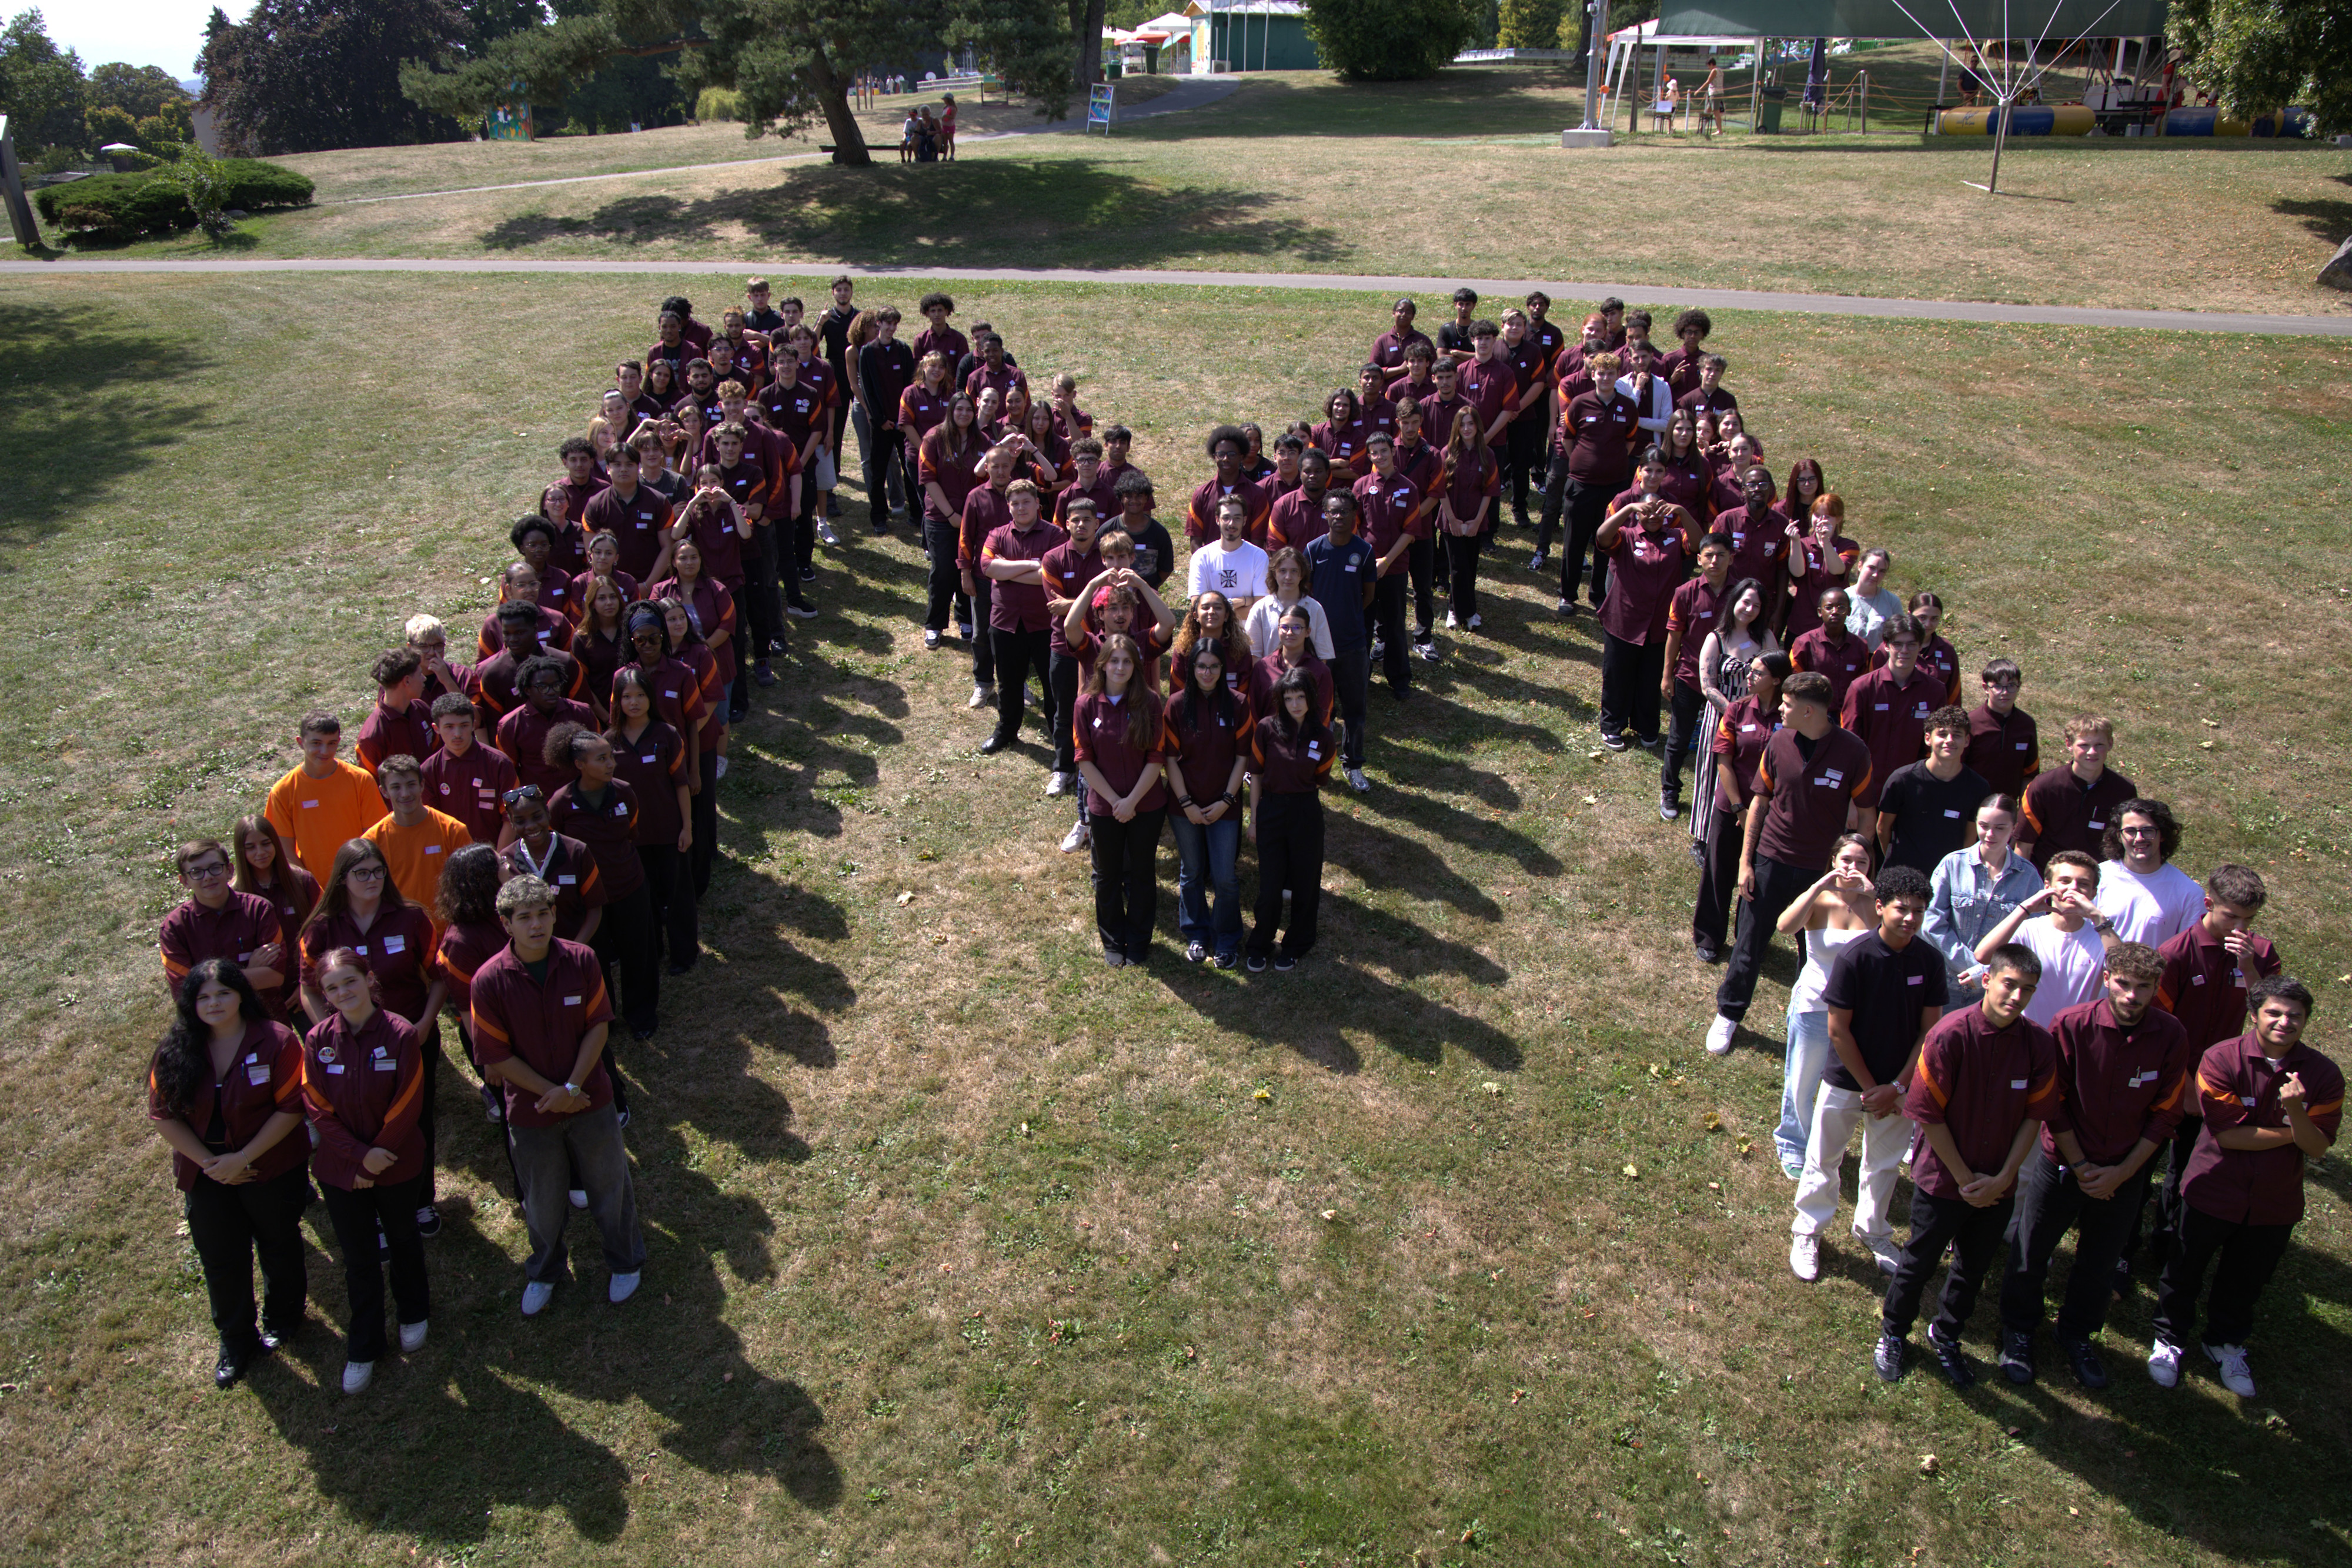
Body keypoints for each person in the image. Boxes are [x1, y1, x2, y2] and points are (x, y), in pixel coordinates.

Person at [1996, 942, 2190, 1389]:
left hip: (2125, 1171)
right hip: (2063, 1164)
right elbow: (2052, 1104)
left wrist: (2122, 1173)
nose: (2131, 995)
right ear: (2106, 979)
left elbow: (2166, 1114)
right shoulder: (2071, 1025)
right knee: (2031, 1251)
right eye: (2123, 983)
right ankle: (2019, 1330)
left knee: (2100, 1263)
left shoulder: (2172, 1035)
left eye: (2143, 987)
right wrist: (2081, 1164)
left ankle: (2077, 1332)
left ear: (2157, 988)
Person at [1871, 942, 2057, 1387]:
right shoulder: (1949, 1034)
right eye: (2010, 984)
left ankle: (1947, 1333)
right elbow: (1928, 1114)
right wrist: (1965, 1177)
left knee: (1973, 1267)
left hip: (1997, 1183)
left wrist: (2006, 1176)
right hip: (1944, 1179)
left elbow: (2035, 1115)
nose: (2016, 996)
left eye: (2027, 990)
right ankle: (1894, 1333)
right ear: (1988, 979)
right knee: (1919, 1261)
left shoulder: (2038, 1045)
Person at [2149, 977, 2340, 1398]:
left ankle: (2225, 1342)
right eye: (2274, 1012)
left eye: (2295, 1015)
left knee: (2245, 1280)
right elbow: (2230, 1136)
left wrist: (2294, 1110)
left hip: (2274, 1201)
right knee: (2184, 1270)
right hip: (2212, 1189)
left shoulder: (2324, 1074)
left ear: (2306, 1021)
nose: (2284, 1022)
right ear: (2255, 1015)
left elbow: (2320, 1148)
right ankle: (2169, 1339)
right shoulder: (2220, 1058)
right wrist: (2292, 1131)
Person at [470, 875, 648, 1316]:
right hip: (533, 1112)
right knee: (543, 1201)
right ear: (506, 923)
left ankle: (625, 1261)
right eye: (525, 917)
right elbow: (496, 1055)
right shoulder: (488, 981)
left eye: (544, 913)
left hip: (591, 1099)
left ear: (554, 914)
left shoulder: (582, 959)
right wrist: (551, 1092)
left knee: (611, 1184)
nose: (537, 925)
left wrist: (571, 1086)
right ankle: (545, 1270)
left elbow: (599, 1026)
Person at [148, 960, 308, 1388]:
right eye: (203, 996)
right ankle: (236, 1339)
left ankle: (285, 1317)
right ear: (191, 1003)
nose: (214, 1002)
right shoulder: (173, 1050)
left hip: (269, 1164)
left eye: (223, 992)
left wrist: (245, 1158)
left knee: (279, 1242)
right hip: (208, 1173)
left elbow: (292, 1106)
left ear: (241, 995)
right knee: (221, 1259)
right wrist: (211, 1163)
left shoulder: (277, 1040)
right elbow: (162, 1114)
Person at [1789, 864, 1947, 1281]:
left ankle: (1873, 1229)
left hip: (1901, 1086)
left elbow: (1930, 1030)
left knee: (1884, 1163)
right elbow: (1838, 1030)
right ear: (1880, 908)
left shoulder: (1930, 961)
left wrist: (1897, 1086)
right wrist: (1871, 1089)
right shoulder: (1854, 957)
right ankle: (1808, 1229)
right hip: (1846, 1081)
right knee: (1824, 1158)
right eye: (1901, 908)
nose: (1910, 917)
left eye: (1918, 910)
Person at [1708, 670, 1873, 1056]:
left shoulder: (1854, 752)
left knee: (1813, 951)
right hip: (1772, 859)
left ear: (1810, 711)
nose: (1780, 709)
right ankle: (1729, 1013)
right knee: (1749, 943)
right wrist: (1746, 863)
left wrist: (1860, 867)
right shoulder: (1780, 740)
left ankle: (1804, 1015)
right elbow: (1759, 804)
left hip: (1822, 871)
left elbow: (1866, 813)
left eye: (1786, 704)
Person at [300, 945, 430, 1395]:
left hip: (395, 1162)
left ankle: (414, 1311)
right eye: (332, 987)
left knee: (403, 1239)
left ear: (368, 978)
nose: (342, 992)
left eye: (349, 981)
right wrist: (358, 1158)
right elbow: (316, 1107)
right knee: (358, 1257)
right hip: (343, 1171)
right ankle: (365, 1343)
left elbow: (409, 1100)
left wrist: (375, 1157)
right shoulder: (318, 1040)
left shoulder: (401, 1034)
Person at [2141, 865, 2282, 1273]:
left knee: (2189, 1168)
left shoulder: (2259, 952)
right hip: (2170, 1078)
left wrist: (2250, 967)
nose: (2241, 927)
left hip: (2218, 1081)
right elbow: (2157, 1028)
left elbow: (2268, 1013)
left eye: (2249, 920)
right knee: (2146, 1162)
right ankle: (2122, 1252)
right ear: (2208, 905)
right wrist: (2185, 1086)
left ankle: (2168, 1243)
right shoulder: (2177, 953)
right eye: (2231, 916)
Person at [1772, 834, 1877, 1179]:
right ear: (1834, 860)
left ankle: (1825, 1144)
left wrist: (1874, 894)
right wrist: (1819, 887)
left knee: (1839, 1087)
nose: (1853, 868)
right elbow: (1785, 927)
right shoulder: (1819, 899)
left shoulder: (1875, 905)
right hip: (1815, 1005)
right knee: (1802, 1080)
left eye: (1861, 862)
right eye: (1846, 859)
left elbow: (1896, 939)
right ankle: (1792, 1144)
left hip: (1857, 1013)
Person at [544, 724, 658, 1040]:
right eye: (601, 759)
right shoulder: (561, 803)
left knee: (639, 953)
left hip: (629, 886)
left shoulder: (623, 791)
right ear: (580, 765)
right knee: (596, 960)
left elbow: (632, 832)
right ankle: (602, 1018)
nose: (611, 764)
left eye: (610, 757)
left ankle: (642, 1016)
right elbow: (558, 846)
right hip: (587, 898)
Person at [1069, 634, 1168, 967]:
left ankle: (1139, 941)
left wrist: (1132, 802)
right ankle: (1113, 941)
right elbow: (1084, 759)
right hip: (1104, 808)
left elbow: (1157, 758)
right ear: (1103, 664)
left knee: (1142, 874)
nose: (1120, 667)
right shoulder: (1085, 704)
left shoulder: (1151, 702)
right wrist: (1115, 801)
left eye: (1127, 661)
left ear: (1136, 667)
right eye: (1115, 661)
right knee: (1108, 875)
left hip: (1147, 805)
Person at [1691, 651, 1785, 964]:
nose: (1750, 676)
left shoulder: (1790, 718)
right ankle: (1709, 936)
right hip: (1731, 806)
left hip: (1771, 813)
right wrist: (1739, 808)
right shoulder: (1737, 710)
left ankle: (1748, 938)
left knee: (1758, 875)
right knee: (1719, 869)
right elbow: (1724, 761)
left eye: (1758, 673)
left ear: (1777, 680)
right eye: (1751, 670)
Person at [1164, 641, 1250, 968]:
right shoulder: (1175, 705)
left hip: (1224, 806)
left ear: (1223, 669)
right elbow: (1169, 759)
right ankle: (1197, 934)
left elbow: (1242, 757)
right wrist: (1186, 803)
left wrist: (1227, 800)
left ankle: (1227, 938)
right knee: (1192, 872)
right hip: (1184, 806)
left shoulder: (1239, 704)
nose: (1207, 672)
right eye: (1201, 666)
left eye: (1214, 666)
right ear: (1192, 669)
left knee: (1226, 877)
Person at [606, 668, 696, 974]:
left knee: (677, 895)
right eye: (627, 696)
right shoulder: (609, 742)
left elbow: (681, 784)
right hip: (632, 838)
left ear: (651, 698)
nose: (634, 702)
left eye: (640, 695)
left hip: (669, 831)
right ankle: (653, 950)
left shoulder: (667, 734)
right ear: (617, 702)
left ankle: (684, 955)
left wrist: (687, 827)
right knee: (643, 900)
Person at [1592, 496, 1699, 753]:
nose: (1652, 516)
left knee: (1651, 678)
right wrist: (1628, 508)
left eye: (1658, 511)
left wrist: (1683, 511)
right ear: (1638, 514)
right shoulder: (1626, 536)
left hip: (1660, 623)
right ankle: (1612, 726)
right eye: (1646, 511)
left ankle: (1647, 726)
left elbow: (1697, 544)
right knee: (1618, 675)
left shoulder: (1676, 536)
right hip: (1624, 620)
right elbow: (1602, 538)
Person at [1246, 669, 1335, 972]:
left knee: (1305, 884)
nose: (1295, 704)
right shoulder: (1266, 729)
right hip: (1270, 810)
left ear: (1310, 699)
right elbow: (1255, 775)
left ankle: (1297, 944)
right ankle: (1260, 943)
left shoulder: (1324, 737)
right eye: (1288, 698)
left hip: (1306, 813)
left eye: (1300, 697)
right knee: (1270, 887)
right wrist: (1255, 820)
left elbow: (1321, 779)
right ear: (1280, 701)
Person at [1539, 352, 1637, 618]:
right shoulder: (1579, 404)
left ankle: (1598, 595)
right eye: (1600, 373)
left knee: (1605, 543)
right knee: (1574, 542)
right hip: (1581, 485)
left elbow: (1629, 443)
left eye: (1610, 373)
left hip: (1614, 487)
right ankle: (1568, 595)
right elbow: (1568, 440)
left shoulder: (1628, 407)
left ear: (1618, 376)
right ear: (1592, 374)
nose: (1605, 378)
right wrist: (1584, 463)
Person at [1922, 794, 2043, 1005]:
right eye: (1984, 825)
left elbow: (2032, 936)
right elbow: (1931, 921)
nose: (1990, 834)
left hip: (1997, 992)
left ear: (2014, 829)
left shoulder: (2029, 877)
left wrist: (1987, 973)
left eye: (2000, 828)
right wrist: (1970, 967)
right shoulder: (1952, 864)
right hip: (1946, 983)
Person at [1973, 852, 2118, 1028]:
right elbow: (1983, 956)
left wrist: (2098, 917)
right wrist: (2025, 909)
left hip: (2077, 1040)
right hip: (2028, 1038)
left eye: (2084, 884)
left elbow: (2124, 972)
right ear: (2048, 885)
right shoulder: (2028, 929)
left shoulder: (2103, 936)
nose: (2073, 888)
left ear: (2094, 893)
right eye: (2065, 881)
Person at [977, 478, 1067, 757]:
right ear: (1008, 507)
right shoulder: (997, 534)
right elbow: (988, 567)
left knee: (1053, 683)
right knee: (1008, 681)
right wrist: (1031, 564)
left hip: (1044, 623)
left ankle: (1059, 733)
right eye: (1014, 503)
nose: (1020, 507)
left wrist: (1010, 572)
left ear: (1037, 504)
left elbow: (1050, 575)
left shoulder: (1055, 535)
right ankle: (1007, 730)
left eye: (1026, 501)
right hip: (1005, 622)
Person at [162, 839, 289, 1015]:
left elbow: (275, 977)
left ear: (229, 870)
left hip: (265, 1018)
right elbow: (184, 993)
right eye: (196, 872)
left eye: (215, 867)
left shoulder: (260, 910)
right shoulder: (174, 927)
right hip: (211, 1029)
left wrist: (206, 985)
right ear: (184, 881)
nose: (208, 877)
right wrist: (248, 972)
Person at [1303, 490, 1376, 791]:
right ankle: (1313, 763)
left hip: (1353, 645)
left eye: (1344, 511)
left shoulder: (1365, 551)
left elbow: (1368, 595)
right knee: (1316, 708)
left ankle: (1354, 764)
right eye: (1333, 511)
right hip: (1319, 646)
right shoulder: (1312, 549)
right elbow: (1306, 592)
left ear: (1354, 515)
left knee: (1355, 709)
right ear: (1325, 514)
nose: (1338, 517)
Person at [1658, 530, 1732, 815]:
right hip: (1689, 677)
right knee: (1678, 738)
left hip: (1726, 681)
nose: (1714, 561)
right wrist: (1667, 676)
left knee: (1723, 740)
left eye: (1721, 556)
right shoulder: (1685, 593)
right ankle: (1669, 791)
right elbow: (1674, 638)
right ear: (1699, 559)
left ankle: (1717, 793)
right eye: (1709, 556)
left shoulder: (1740, 593)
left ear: (1731, 559)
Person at [265, 711, 387, 879]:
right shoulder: (283, 791)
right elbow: (284, 851)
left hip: (361, 882)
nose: (325, 751)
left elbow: (375, 838)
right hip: (314, 890)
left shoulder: (361, 780)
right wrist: (310, 887)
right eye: (316, 743)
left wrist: (361, 878)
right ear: (300, 743)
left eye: (331, 743)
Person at [360, 755, 473, 932]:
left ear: (422, 785)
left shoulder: (453, 830)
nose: (405, 794)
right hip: (400, 935)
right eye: (396, 787)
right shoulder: (372, 841)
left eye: (411, 784)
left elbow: (471, 888)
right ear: (384, 791)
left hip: (450, 934)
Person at [1873, 707, 1989, 875]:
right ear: (1928, 738)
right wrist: (1898, 864)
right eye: (1942, 734)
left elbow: (1970, 839)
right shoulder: (1902, 779)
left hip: (1948, 879)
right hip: (1901, 877)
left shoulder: (1978, 787)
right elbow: (1883, 828)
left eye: (1957, 735)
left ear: (1967, 741)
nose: (1949, 740)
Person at [1354, 432, 1425, 688]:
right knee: (1362, 623)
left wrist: (1386, 561)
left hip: (1395, 567)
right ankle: (1361, 677)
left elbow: (1410, 532)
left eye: (1384, 451)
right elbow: (1356, 527)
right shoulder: (1361, 486)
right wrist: (1370, 561)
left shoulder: (1409, 487)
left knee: (1395, 625)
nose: (1380, 456)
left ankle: (1399, 679)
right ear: (1370, 455)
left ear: (1392, 451)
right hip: (1365, 569)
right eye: (1374, 452)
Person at [2019, 716, 2134, 873]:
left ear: (2111, 744)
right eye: (2084, 745)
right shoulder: (2043, 786)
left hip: (2098, 885)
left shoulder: (2124, 790)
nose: (2092, 752)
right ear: (2069, 744)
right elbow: (2023, 847)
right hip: (2046, 883)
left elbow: (2128, 845)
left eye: (2099, 745)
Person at [497, 784, 606, 944]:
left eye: (537, 816)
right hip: (529, 957)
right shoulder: (506, 860)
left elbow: (595, 908)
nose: (531, 826)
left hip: (575, 951)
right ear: (512, 824)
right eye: (520, 821)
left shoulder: (577, 851)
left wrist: (575, 950)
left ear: (548, 813)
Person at [918, 392, 984, 650]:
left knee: (967, 570)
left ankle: (966, 619)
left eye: (969, 410)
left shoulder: (982, 440)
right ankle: (934, 625)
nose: (965, 414)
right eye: (960, 409)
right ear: (951, 411)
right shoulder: (934, 438)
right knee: (943, 572)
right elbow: (928, 479)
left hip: (972, 519)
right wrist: (951, 516)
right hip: (941, 518)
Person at [2096, 800, 2201, 946]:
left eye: (2148, 831)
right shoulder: (2095, 878)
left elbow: (2188, 953)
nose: (2139, 838)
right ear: (2119, 836)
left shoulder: (2189, 894)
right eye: (2130, 831)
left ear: (2163, 835)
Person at [496, 657, 600, 801]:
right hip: (537, 804)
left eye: (556, 685)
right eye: (543, 687)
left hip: (581, 798)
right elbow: (510, 770)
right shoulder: (510, 725)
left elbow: (598, 754)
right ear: (527, 690)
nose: (551, 692)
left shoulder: (582, 713)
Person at [1434, 403, 1498, 633]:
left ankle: (1467, 610)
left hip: (1474, 522)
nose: (1467, 428)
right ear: (1456, 428)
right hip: (1452, 521)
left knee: (1470, 567)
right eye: (1463, 424)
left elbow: (1490, 491)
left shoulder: (1487, 454)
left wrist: (1477, 522)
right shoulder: (1446, 453)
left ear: (1478, 426)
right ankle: (1459, 612)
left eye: (1471, 424)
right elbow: (1441, 490)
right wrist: (1452, 520)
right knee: (1457, 567)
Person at [232, 814, 318, 950]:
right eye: (251, 847)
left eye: (266, 844)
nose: (260, 852)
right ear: (241, 851)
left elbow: (324, 925)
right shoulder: (233, 893)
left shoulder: (303, 880)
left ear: (276, 843)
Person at [1962, 658, 2039, 799]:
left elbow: (2029, 774)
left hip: (2008, 808)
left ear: (2019, 686)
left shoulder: (2027, 724)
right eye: (1997, 686)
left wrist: (2023, 809)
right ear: (1986, 688)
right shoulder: (1970, 723)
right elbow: (1958, 768)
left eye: (2011, 686)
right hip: (1972, 803)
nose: (2005, 692)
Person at [1242, 545, 1335, 659]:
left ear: (1301, 575)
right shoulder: (1260, 609)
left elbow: (1323, 655)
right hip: (1269, 676)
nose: (1288, 577)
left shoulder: (1315, 608)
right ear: (1274, 574)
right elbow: (1253, 654)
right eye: (1282, 571)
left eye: (1294, 571)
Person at [1185, 426, 1271, 548]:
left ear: (1241, 457)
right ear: (1214, 456)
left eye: (1231, 454)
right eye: (1221, 454)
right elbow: (1195, 542)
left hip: (1245, 565)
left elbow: (1258, 542)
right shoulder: (1201, 494)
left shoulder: (1257, 494)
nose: (1226, 459)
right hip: (1212, 566)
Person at [354, 649, 435, 778]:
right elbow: (368, 784)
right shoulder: (373, 736)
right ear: (407, 681)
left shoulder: (422, 709)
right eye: (420, 674)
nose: (424, 678)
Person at [1188, 495, 1271, 617]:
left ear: (1244, 520)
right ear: (1217, 519)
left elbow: (1260, 607)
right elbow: (1198, 606)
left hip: (1248, 633)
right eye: (1226, 518)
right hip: (1213, 634)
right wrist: (1243, 601)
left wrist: (1217, 614)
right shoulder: (1201, 557)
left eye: (1237, 518)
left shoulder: (1258, 557)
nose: (1231, 524)